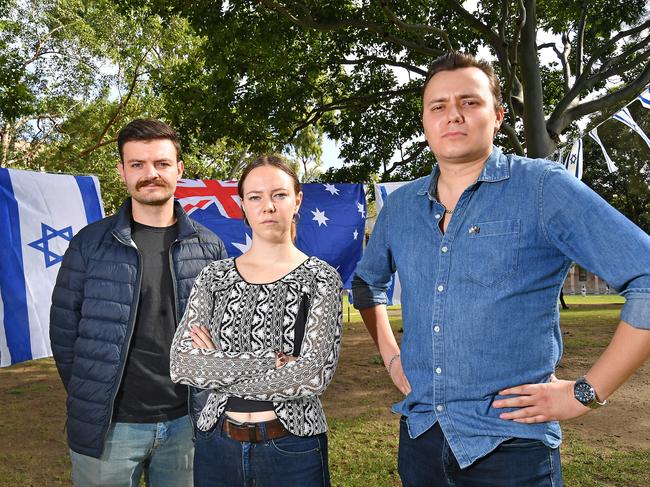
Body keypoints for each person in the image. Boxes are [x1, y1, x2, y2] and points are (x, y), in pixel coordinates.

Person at [352, 52, 650, 486]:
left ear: (497, 116)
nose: (453, 115)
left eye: (470, 102)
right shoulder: (399, 207)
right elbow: (366, 282)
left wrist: (586, 393)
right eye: (438, 106)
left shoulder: (543, 187)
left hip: (511, 447)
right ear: (425, 123)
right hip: (420, 442)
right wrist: (391, 356)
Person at [49, 119, 227, 486]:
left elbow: (222, 334)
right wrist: (94, 393)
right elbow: (64, 333)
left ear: (179, 169)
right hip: (109, 428)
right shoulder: (89, 244)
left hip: (186, 426)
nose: (151, 174)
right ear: (122, 171)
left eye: (161, 164)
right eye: (137, 164)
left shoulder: (210, 247)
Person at [170, 154, 342, 487]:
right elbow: (183, 364)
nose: (268, 206)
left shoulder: (320, 278)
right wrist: (270, 361)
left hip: (292, 447)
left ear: (297, 201)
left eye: (279, 194)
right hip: (216, 444)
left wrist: (217, 368)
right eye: (255, 197)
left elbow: (313, 375)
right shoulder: (214, 277)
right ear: (242, 206)